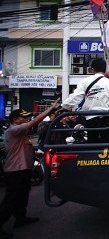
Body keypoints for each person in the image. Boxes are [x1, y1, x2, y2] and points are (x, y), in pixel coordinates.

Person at [0, 99, 60, 239]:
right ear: (15, 119)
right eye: (23, 117)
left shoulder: (22, 133)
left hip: (24, 169)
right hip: (15, 170)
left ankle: (20, 218)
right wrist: (50, 110)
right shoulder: (14, 130)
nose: (26, 119)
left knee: (23, 195)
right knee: (11, 199)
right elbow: (35, 122)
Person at [61, 58, 109, 143]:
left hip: (90, 119)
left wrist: (64, 106)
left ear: (92, 69)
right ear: (105, 70)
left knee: (91, 145)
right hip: (106, 121)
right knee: (105, 148)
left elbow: (76, 97)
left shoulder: (85, 81)